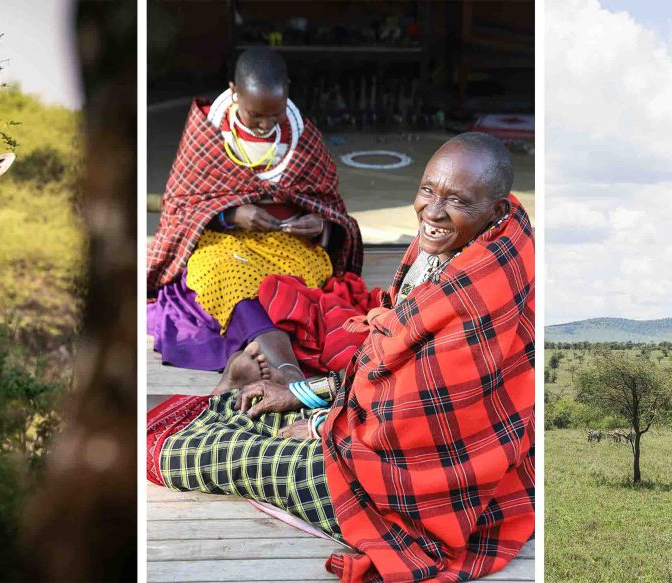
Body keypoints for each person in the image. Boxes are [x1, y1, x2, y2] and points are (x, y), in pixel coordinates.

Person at [147, 133, 535, 583]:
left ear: (497, 209)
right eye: (428, 189)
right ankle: (260, 392)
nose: (431, 212)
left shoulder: (475, 291)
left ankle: (221, 427)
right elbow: (391, 369)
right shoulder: (471, 242)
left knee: (197, 454)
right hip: (396, 435)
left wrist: (317, 426)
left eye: (457, 201)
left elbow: (412, 416)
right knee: (247, 406)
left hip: (420, 490)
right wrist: (301, 392)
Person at [146, 47, 362, 384]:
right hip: (224, 242)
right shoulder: (207, 133)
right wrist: (231, 216)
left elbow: (329, 204)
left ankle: (250, 364)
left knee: (286, 287)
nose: (264, 126)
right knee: (230, 276)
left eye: (274, 116)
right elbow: (181, 207)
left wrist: (320, 225)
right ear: (233, 91)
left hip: (289, 244)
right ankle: (288, 374)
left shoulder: (303, 136)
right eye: (254, 115)